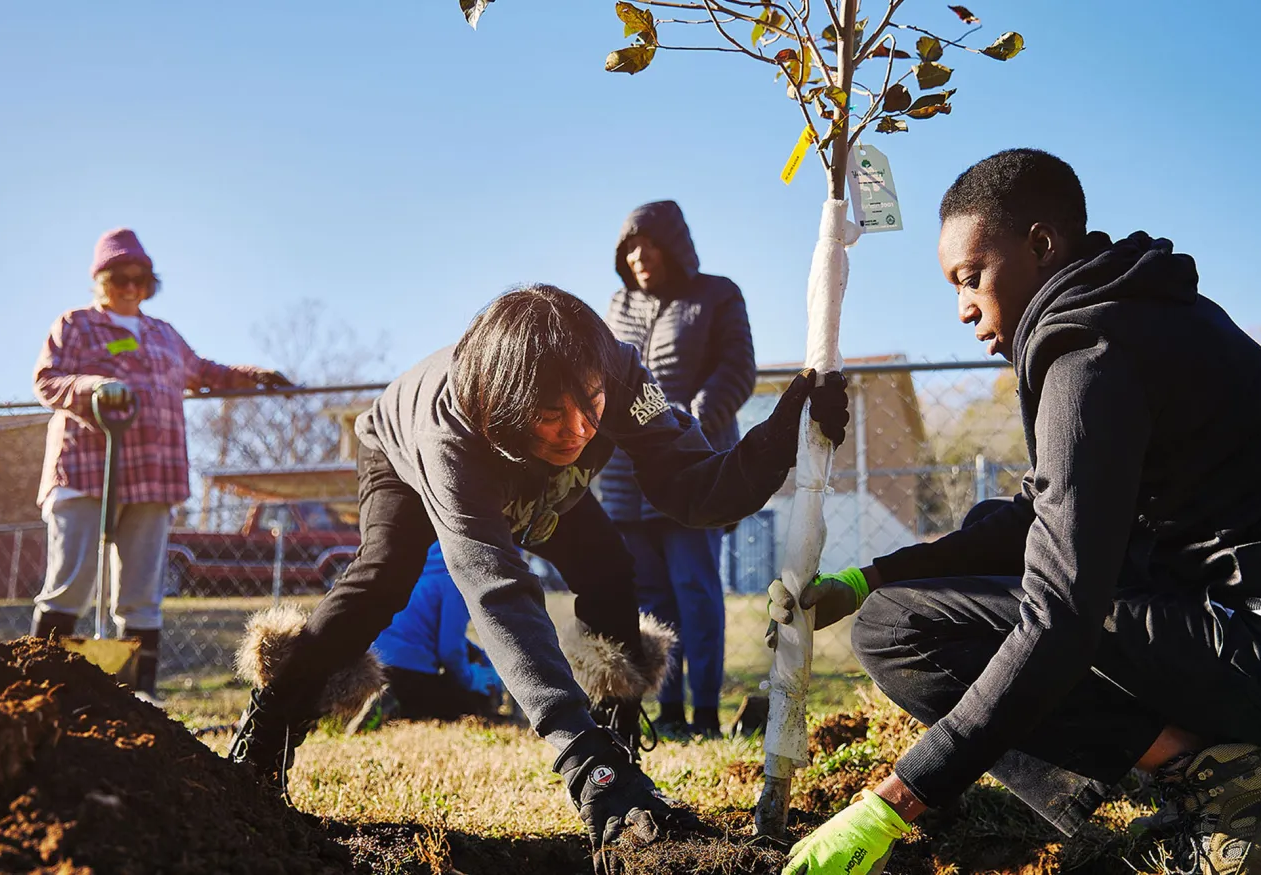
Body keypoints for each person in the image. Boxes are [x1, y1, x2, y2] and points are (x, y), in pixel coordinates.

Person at [768, 150, 1261, 875]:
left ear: (1041, 246)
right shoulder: (1133, 315)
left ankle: (1232, 787)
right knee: (903, 600)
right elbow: (1038, 513)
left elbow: (1060, 612)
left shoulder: (1091, 355)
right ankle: (1231, 769)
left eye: (971, 277)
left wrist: (895, 799)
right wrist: (870, 576)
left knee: (903, 631)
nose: (962, 306)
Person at [226, 284, 848, 873]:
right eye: (553, 413)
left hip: (535, 474)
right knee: (387, 576)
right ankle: (272, 724)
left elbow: (694, 488)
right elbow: (497, 591)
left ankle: (617, 742)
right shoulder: (452, 433)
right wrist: (576, 760)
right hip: (404, 453)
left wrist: (781, 439)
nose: (579, 429)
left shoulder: (619, 373)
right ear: (506, 405)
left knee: (608, 567)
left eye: (590, 406)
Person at [31, 228, 291, 699]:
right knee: (71, 582)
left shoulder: (163, 335)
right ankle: (41, 690)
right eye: (119, 278)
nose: (131, 287)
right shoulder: (75, 324)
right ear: (100, 280)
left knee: (141, 593)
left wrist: (254, 376)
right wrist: (93, 387)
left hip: (155, 477)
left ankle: (138, 698)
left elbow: (205, 372)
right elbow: (47, 381)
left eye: (141, 278)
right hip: (89, 471)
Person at [601, 200, 756, 739]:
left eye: (648, 244)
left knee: (696, 592)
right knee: (651, 599)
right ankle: (666, 714)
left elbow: (738, 368)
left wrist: (693, 419)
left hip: (693, 470)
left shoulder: (715, 295)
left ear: (674, 245)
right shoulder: (617, 307)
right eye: (629, 248)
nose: (639, 256)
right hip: (628, 480)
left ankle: (706, 714)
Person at [363, 542, 504, 725]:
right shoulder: (455, 580)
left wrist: (478, 654)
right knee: (469, 701)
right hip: (409, 672)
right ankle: (394, 707)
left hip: (374, 665)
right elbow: (449, 650)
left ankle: (379, 700)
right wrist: (471, 679)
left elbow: (424, 629)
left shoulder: (413, 566)